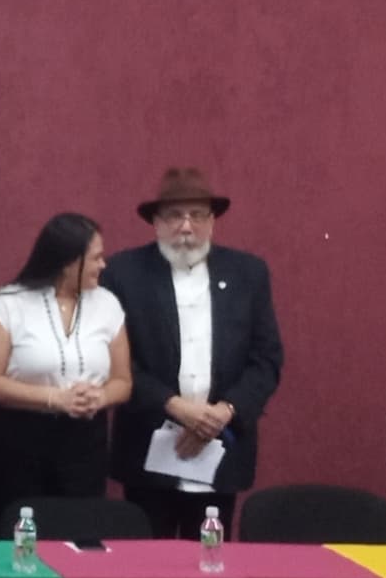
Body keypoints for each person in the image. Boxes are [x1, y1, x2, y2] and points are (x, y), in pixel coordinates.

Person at [100, 167, 285, 538]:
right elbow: (112, 357)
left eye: (198, 215)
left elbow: (266, 358)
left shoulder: (248, 273)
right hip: (149, 443)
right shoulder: (124, 273)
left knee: (209, 555)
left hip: (221, 446)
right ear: (155, 222)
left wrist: (224, 412)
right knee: (146, 558)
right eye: (174, 216)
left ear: (213, 221)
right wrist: (174, 406)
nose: (187, 227)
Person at [0, 213, 131, 540]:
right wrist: (55, 398)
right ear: (69, 261)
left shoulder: (108, 305)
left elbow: (123, 382)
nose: (103, 265)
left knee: (78, 535)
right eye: (96, 258)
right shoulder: (6, 304)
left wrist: (99, 397)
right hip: (17, 442)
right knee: (13, 534)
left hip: (84, 444)